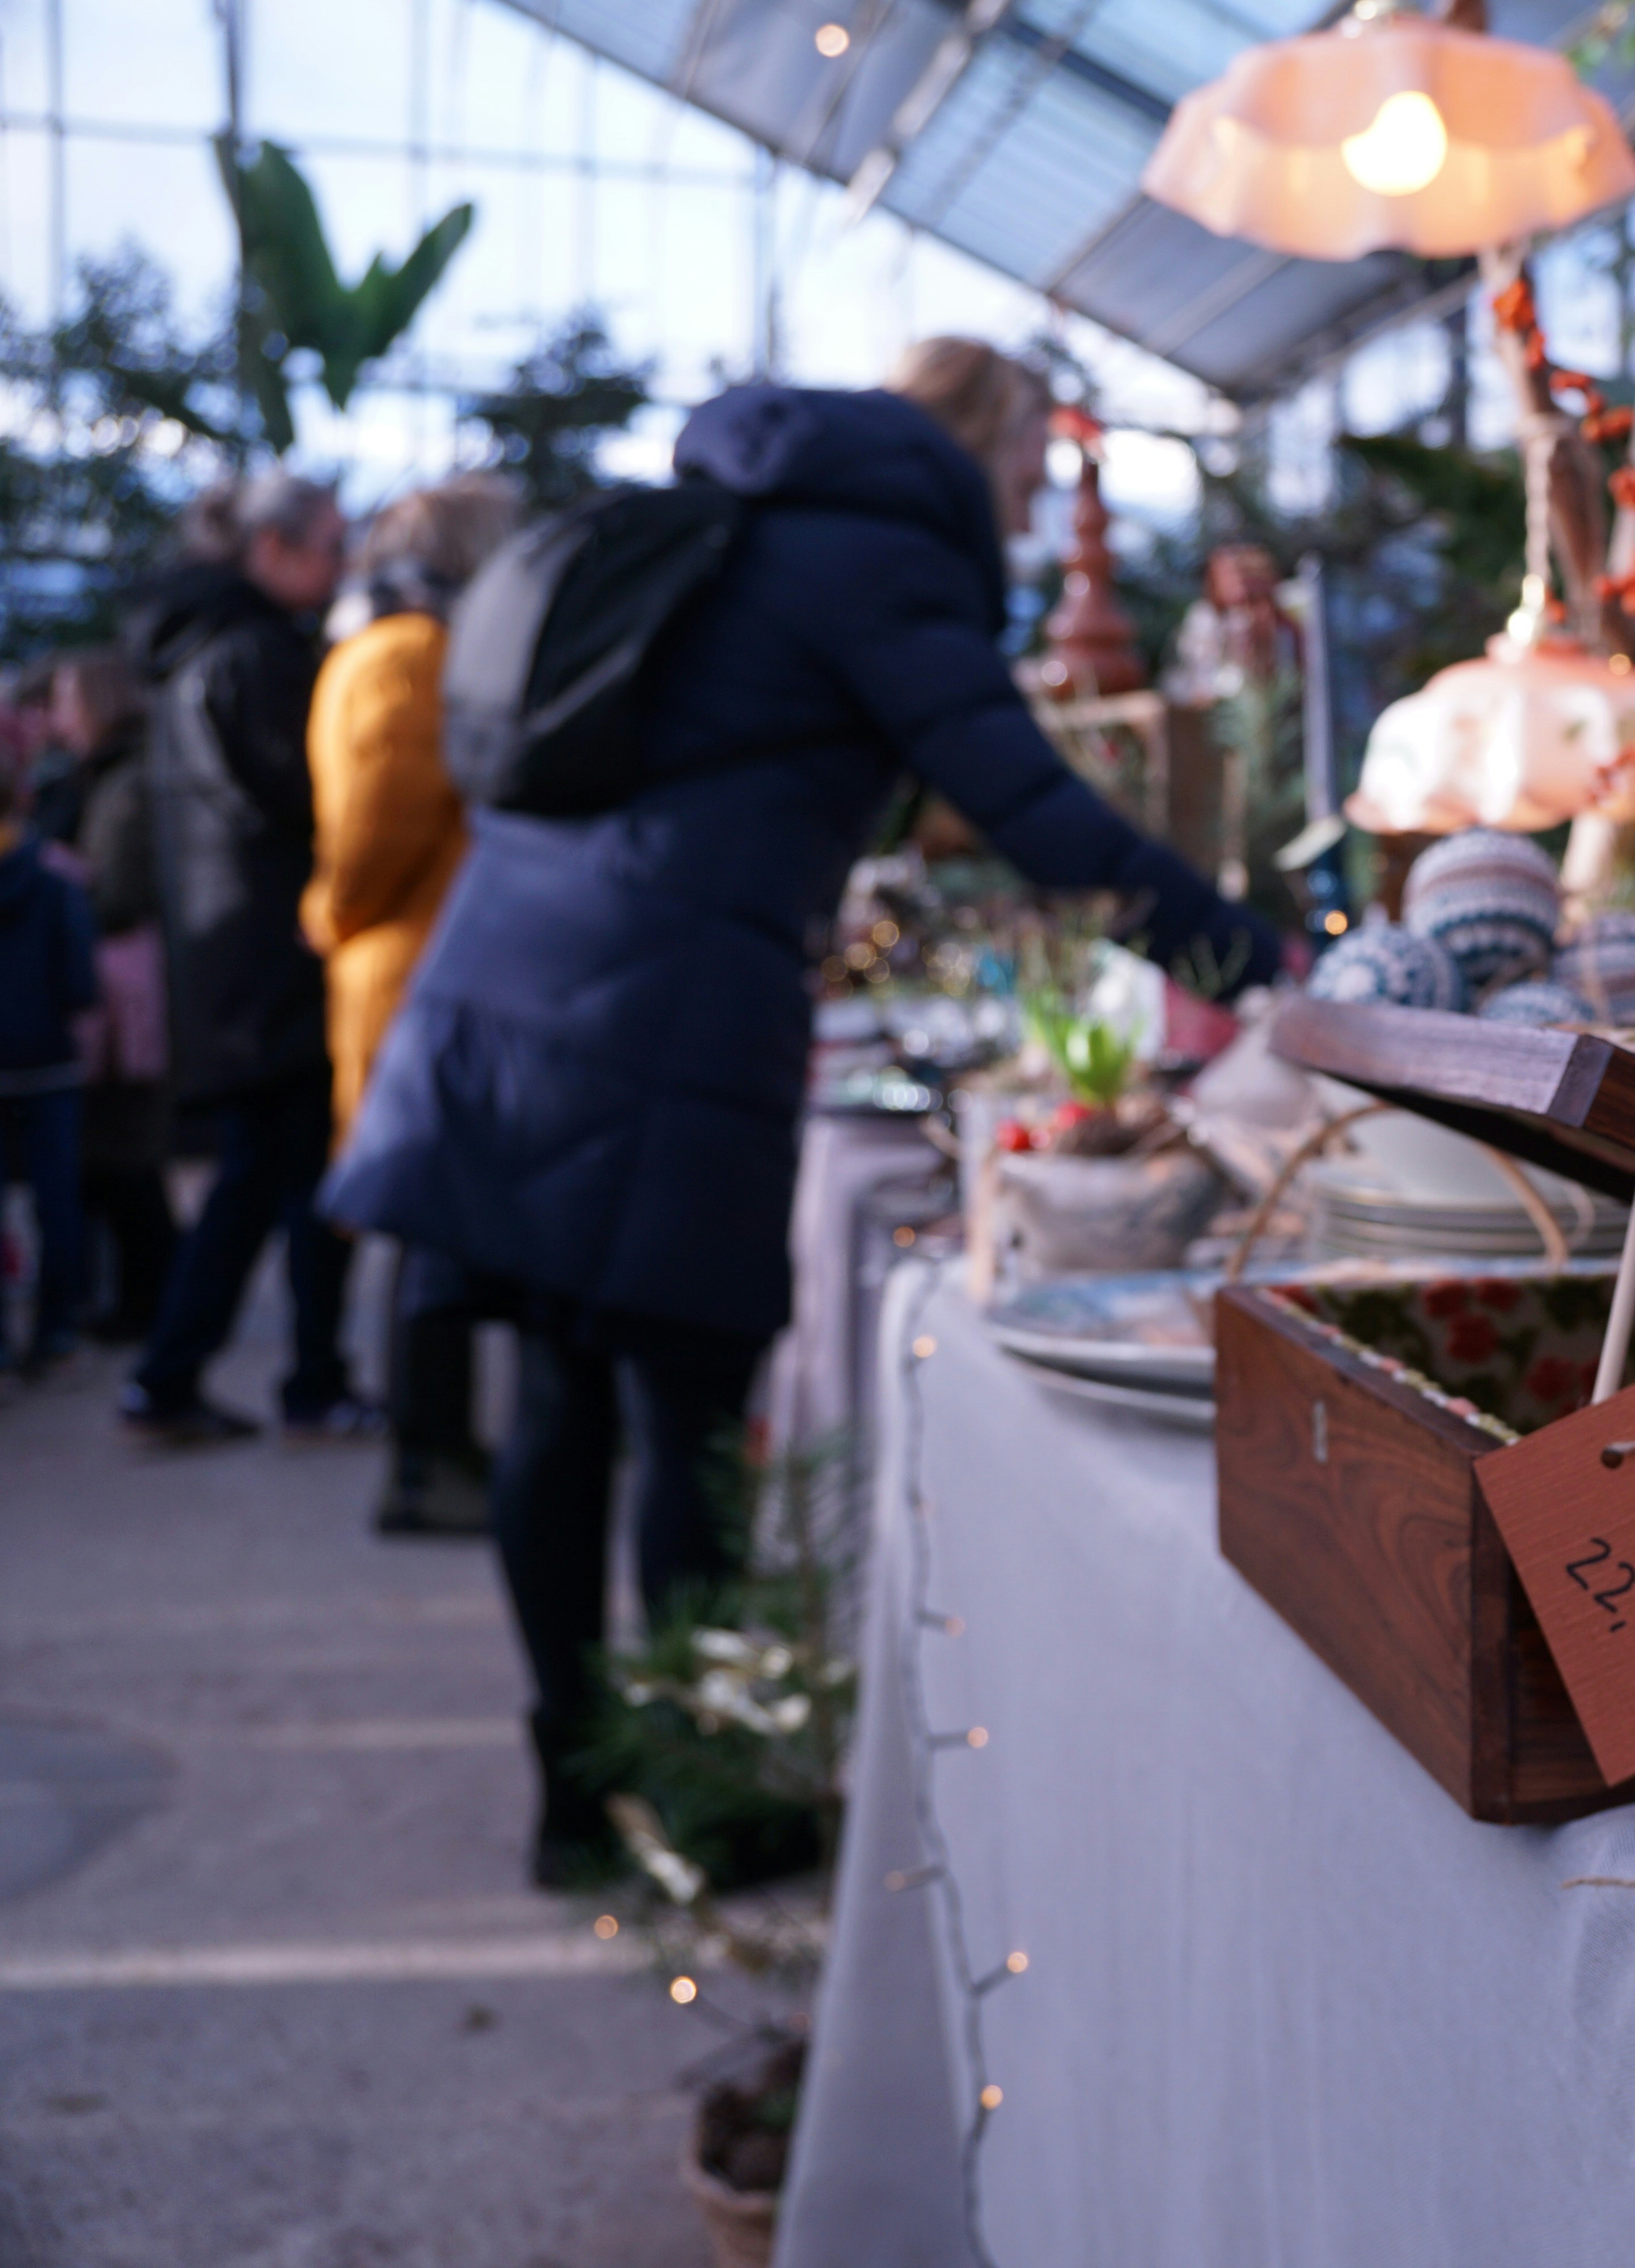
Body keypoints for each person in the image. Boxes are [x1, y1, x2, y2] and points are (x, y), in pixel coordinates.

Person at [327, 339, 1287, 1884]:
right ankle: (698, 1799)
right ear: (983, 438)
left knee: (563, 1407)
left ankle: (585, 1800)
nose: (1042, 498)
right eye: (1038, 460)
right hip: (664, 1020)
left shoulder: (732, 515)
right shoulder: (878, 558)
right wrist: (1269, 969)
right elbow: (1041, 814)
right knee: (687, 1421)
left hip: (501, 989)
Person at [121, 471, 366, 1442]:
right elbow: (306, 799)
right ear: (270, 549)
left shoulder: (198, 651)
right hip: (276, 958)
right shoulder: (255, 653)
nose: (342, 568)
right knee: (291, 1181)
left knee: (260, 1176)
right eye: (330, 547)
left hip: (233, 962)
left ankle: (179, 1375)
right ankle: (292, 1379)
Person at [304, 473, 523, 1536]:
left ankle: (436, 1447)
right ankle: (428, 1455)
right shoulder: (412, 657)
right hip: (412, 962)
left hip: (402, 955)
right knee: (428, 1221)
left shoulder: (378, 646)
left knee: (429, 1218)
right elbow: (375, 830)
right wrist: (336, 911)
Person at [39, 650, 172, 1343]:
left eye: (66, 700)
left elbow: (120, 891)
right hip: (95, 982)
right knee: (107, 1156)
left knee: (123, 1155)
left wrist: (56, 882)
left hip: (121, 994)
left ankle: (147, 1301)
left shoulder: (126, 782)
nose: (58, 718)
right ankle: (126, 1298)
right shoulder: (89, 779)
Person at [0, 747, 96, 1374]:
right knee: (59, 1203)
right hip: (49, 1060)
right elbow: (80, 981)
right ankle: (56, 1333)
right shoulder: (57, 876)